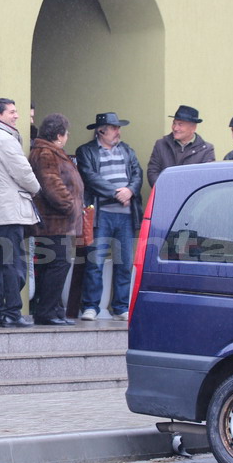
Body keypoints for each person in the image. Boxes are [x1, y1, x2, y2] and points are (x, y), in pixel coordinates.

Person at [0, 98, 39, 328]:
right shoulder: (5, 140)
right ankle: (13, 312)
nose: (16, 115)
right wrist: (36, 188)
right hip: (9, 211)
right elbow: (23, 172)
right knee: (12, 263)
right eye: (12, 112)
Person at [75, 113, 143, 322]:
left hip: (125, 216)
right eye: (114, 128)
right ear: (101, 130)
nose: (118, 132)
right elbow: (90, 177)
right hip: (101, 214)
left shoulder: (127, 150)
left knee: (124, 262)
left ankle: (121, 307)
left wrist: (130, 191)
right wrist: (116, 193)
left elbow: (137, 174)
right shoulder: (86, 151)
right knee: (95, 261)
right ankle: (91, 307)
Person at [29, 114, 83, 326]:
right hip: (55, 222)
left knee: (54, 265)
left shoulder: (48, 151)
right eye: (66, 133)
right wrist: (70, 206)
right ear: (59, 135)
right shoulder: (45, 153)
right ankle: (47, 311)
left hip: (58, 221)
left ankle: (54, 309)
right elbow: (52, 185)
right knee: (57, 265)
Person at [146, 105, 215, 187]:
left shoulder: (206, 150)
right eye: (174, 123)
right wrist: (165, 189)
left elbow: (205, 178)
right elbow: (152, 172)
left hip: (191, 198)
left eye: (180, 124)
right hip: (164, 195)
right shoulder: (161, 145)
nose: (175, 128)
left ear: (193, 128)